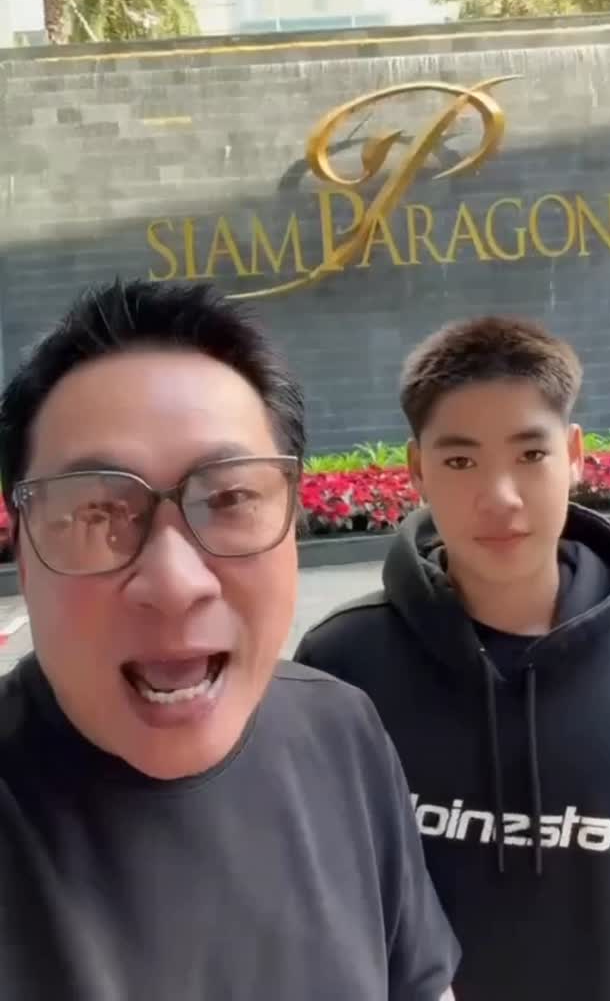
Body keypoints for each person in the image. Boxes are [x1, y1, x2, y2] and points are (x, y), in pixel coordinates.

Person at [0, 279, 459, 1001]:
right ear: (23, 557)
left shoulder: (340, 732)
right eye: (95, 513)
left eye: (230, 498)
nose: (174, 582)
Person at [296, 316, 610, 1001]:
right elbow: (309, 902)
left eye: (531, 454)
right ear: (416, 470)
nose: (501, 497)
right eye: (460, 462)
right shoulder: (342, 668)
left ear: (574, 454)